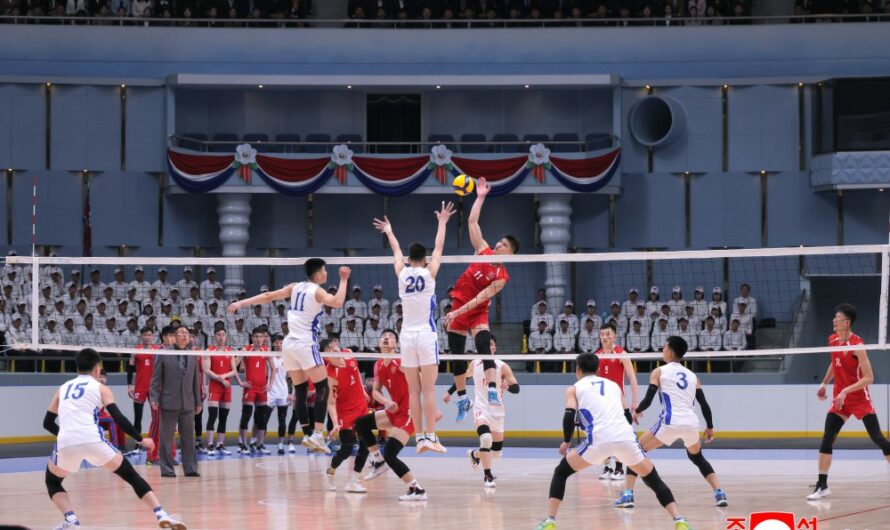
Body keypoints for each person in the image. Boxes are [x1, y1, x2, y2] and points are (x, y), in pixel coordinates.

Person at [534, 353, 691, 530]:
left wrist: (566, 441)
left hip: (598, 440)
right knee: (652, 478)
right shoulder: (614, 386)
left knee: (561, 472)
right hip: (625, 437)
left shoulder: (574, 388)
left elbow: (569, 415)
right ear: (598, 369)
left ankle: (550, 521)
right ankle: (679, 520)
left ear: (577, 370)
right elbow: (626, 416)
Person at [43, 348, 187, 530]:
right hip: (93, 440)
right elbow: (118, 419)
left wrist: (69, 437)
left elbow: (47, 423)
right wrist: (141, 440)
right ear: (97, 368)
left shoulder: (62, 389)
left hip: (66, 442)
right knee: (131, 476)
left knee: (53, 482)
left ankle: (71, 520)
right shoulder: (101, 388)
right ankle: (161, 514)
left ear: (77, 367)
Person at [228, 258, 351, 454]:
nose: (327, 273)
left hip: (289, 345)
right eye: (325, 270)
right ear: (318, 274)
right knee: (322, 386)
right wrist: (344, 280)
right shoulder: (317, 291)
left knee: (300, 390)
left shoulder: (295, 287)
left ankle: (308, 433)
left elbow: (268, 296)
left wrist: (241, 303)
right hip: (305, 343)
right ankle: (318, 434)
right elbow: (337, 302)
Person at [372, 200, 455, 453]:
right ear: (425, 258)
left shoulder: (402, 273)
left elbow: (395, 251)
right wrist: (442, 222)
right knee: (429, 389)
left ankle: (419, 437)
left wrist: (389, 230)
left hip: (406, 336)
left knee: (414, 390)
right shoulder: (430, 273)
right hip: (426, 336)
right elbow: (439, 246)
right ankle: (430, 436)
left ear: (409, 259)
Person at [615, 336, 727, 509]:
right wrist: (710, 427)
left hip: (670, 422)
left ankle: (628, 495)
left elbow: (649, 398)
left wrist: (637, 411)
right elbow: (704, 404)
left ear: (670, 351)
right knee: (697, 457)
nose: (662, 350)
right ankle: (719, 492)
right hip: (691, 424)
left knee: (635, 451)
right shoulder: (692, 376)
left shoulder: (659, 371)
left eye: (664, 347)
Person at [443, 177, 519, 421]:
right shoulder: (482, 250)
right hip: (458, 304)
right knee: (456, 355)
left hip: (476, 311)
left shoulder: (502, 276)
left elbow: (480, 299)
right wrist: (481, 196)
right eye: (500, 241)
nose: (499, 244)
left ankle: (493, 391)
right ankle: (463, 399)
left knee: (485, 346)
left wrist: (457, 313)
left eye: (504, 244)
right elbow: (472, 221)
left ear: (510, 254)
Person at [808, 304, 890, 500]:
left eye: (837, 318)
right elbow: (834, 362)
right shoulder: (832, 339)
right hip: (840, 399)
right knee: (828, 438)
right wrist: (824, 383)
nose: (833, 321)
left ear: (847, 322)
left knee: (877, 438)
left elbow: (869, 377)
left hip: (859, 397)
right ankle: (822, 485)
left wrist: (846, 389)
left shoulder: (858, 345)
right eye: (834, 318)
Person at [356, 330, 428, 501]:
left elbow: (422, 381)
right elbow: (375, 391)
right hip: (393, 411)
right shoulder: (379, 364)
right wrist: (386, 402)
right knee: (361, 423)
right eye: (383, 336)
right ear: (379, 342)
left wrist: (433, 408)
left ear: (396, 344)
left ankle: (416, 489)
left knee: (390, 452)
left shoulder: (402, 361)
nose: (386, 338)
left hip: (408, 413)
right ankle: (377, 460)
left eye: (391, 337)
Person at [149, 326, 202, 478]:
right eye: (181, 333)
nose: (185, 336)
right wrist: (154, 397)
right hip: (169, 402)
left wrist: (198, 402)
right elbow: (155, 378)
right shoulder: (164, 353)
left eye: (187, 334)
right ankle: (167, 469)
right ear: (175, 336)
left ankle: (191, 468)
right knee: (166, 438)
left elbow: (195, 381)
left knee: (189, 438)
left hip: (188, 403)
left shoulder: (193, 355)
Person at [465, 336, 518, 488]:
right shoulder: (474, 364)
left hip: (497, 413)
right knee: (486, 439)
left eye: (492, 345)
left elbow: (517, 387)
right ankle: (488, 476)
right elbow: (463, 378)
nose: (490, 347)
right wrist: (453, 393)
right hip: (481, 409)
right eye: (487, 345)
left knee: (496, 453)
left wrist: (508, 387)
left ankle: (475, 454)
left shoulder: (502, 367)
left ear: (494, 348)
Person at [323, 338, 371, 493]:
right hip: (345, 412)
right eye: (329, 348)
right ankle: (331, 471)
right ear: (326, 355)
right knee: (347, 449)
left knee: (366, 444)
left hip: (361, 407)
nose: (334, 348)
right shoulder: (330, 374)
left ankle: (354, 480)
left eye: (334, 345)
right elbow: (330, 403)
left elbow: (356, 372)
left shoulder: (349, 354)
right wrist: (335, 423)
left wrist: (363, 390)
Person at [594, 322, 639, 481]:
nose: (604, 337)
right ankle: (607, 467)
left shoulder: (621, 353)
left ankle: (620, 469)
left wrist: (634, 401)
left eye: (607, 334)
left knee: (619, 435)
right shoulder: (597, 355)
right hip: (601, 403)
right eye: (602, 334)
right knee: (602, 435)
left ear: (614, 336)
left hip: (619, 403)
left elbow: (632, 378)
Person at [236, 328, 274, 455]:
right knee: (246, 416)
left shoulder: (266, 350)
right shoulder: (246, 350)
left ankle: (260, 445)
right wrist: (241, 382)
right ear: (252, 338)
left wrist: (270, 385)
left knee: (261, 418)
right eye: (256, 337)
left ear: (264, 338)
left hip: (262, 389)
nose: (259, 339)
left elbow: (274, 369)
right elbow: (233, 365)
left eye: (261, 337)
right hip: (250, 389)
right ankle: (243, 444)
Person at [126, 328, 162, 461]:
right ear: (141, 336)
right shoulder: (136, 350)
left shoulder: (157, 350)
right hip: (140, 387)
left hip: (153, 388)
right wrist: (130, 385)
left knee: (156, 417)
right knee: (138, 417)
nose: (147, 337)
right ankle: (137, 443)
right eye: (145, 335)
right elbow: (130, 368)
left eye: (149, 335)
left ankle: (155, 444)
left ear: (152, 337)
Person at [203, 328, 236, 456]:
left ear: (226, 336)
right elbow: (206, 370)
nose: (221, 337)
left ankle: (220, 445)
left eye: (223, 335)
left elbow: (234, 371)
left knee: (223, 418)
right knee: (212, 416)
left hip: (226, 387)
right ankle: (210, 445)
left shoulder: (229, 351)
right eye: (218, 335)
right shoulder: (209, 351)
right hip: (215, 387)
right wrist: (220, 379)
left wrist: (223, 377)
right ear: (215, 336)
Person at [268, 333, 293, 455]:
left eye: (281, 343)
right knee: (262, 419)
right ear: (273, 343)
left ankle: (280, 444)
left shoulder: (287, 358)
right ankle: (256, 442)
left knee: (282, 420)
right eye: (276, 343)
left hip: (282, 393)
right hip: (270, 393)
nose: (278, 345)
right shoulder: (268, 356)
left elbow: (289, 377)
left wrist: (290, 393)